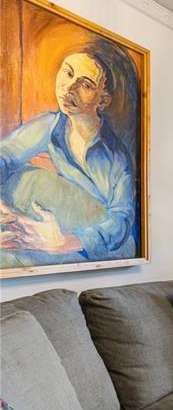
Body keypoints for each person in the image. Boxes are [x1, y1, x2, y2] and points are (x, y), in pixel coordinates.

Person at [0, 49, 136, 261]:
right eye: (69, 73)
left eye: (86, 85)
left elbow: (121, 219)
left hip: (110, 247)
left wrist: (64, 242)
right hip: (67, 229)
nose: (69, 88)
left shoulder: (117, 157)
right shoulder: (52, 125)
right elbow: (6, 154)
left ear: (102, 100)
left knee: (31, 180)